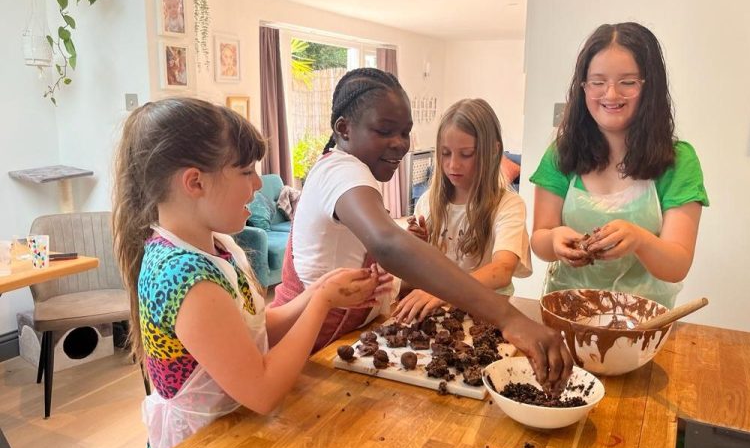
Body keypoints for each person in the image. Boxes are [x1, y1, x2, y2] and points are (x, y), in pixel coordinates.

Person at [112, 97, 386, 448]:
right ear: (195, 182)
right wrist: (321, 303)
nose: (258, 184)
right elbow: (262, 390)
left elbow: (251, 329)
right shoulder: (186, 279)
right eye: (245, 172)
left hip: (233, 434)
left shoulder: (215, 247)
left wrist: (320, 290)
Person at [273, 68, 572, 394]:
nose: (400, 144)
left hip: (339, 344)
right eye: (385, 131)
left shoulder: (352, 172)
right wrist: (511, 318)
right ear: (344, 129)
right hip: (305, 351)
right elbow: (388, 244)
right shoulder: (340, 171)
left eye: (405, 132)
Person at [529, 22, 709, 308]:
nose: (611, 95)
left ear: (650, 87)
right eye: (597, 82)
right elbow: (539, 239)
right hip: (567, 309)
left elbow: (677, 266)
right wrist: (553, 239)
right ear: (583, 87)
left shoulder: (677, 160)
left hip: (642, 319)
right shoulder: (561, 153)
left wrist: (639, 240)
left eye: (627, 82)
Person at [392, 98, 532, 323]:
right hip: (440, 317)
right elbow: (417, 275)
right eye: (445, 153)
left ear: (493, 151)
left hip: (488, 315)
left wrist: (445, 292)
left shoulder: (508, 205)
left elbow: (502, 269)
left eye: (466, 154)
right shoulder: (427, 203)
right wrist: (417, 248)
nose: (453, 165)